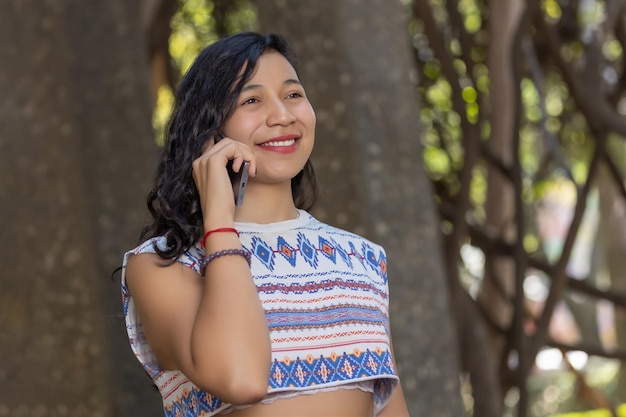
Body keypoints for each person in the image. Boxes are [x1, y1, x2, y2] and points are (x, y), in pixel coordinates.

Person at [121, 31, 409, 417]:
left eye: (293, 95)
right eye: (252, 100)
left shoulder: (362, 258)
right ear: (208, 130)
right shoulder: (162, 265)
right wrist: (220, 223)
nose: (283, 115)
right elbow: (241, 379)